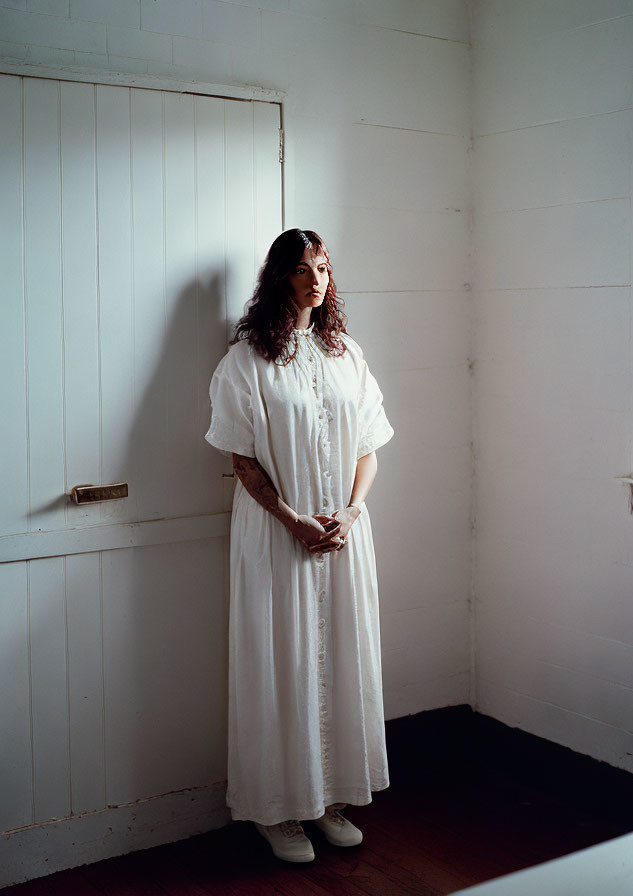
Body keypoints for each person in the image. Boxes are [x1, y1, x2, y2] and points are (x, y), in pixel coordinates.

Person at [204, 228, 395, 864]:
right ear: (280, 278)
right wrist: (292, 519)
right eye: (304, 269)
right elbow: (242, 458)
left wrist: (350, 510)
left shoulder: (346, 353)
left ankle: (331, 798)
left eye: (325, 267)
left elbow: (367, 447)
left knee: (340, 657)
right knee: (279, 661)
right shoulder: (246, 361)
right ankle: (278, 809)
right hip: (277, 534)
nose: (318, 279)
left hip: (343, 534)